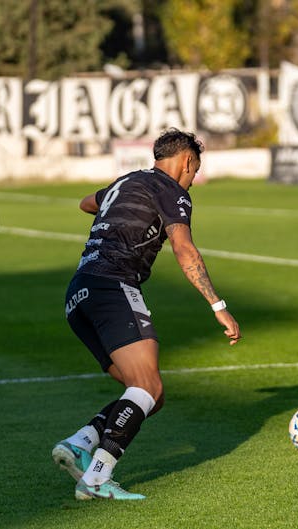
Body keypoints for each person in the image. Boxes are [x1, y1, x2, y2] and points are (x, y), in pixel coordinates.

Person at [53, 128, 241, 501]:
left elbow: (85, 203)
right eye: (194, 170)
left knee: (147, 395)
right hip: (114, 287)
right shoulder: (172, 191)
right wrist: (218, 305)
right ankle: (96, 477)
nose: (192, 180)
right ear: (187, 160)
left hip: (79, 295)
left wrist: (116, 208)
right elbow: (185, 250)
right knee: (148, 388)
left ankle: (80, 443)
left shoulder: (128, 181)